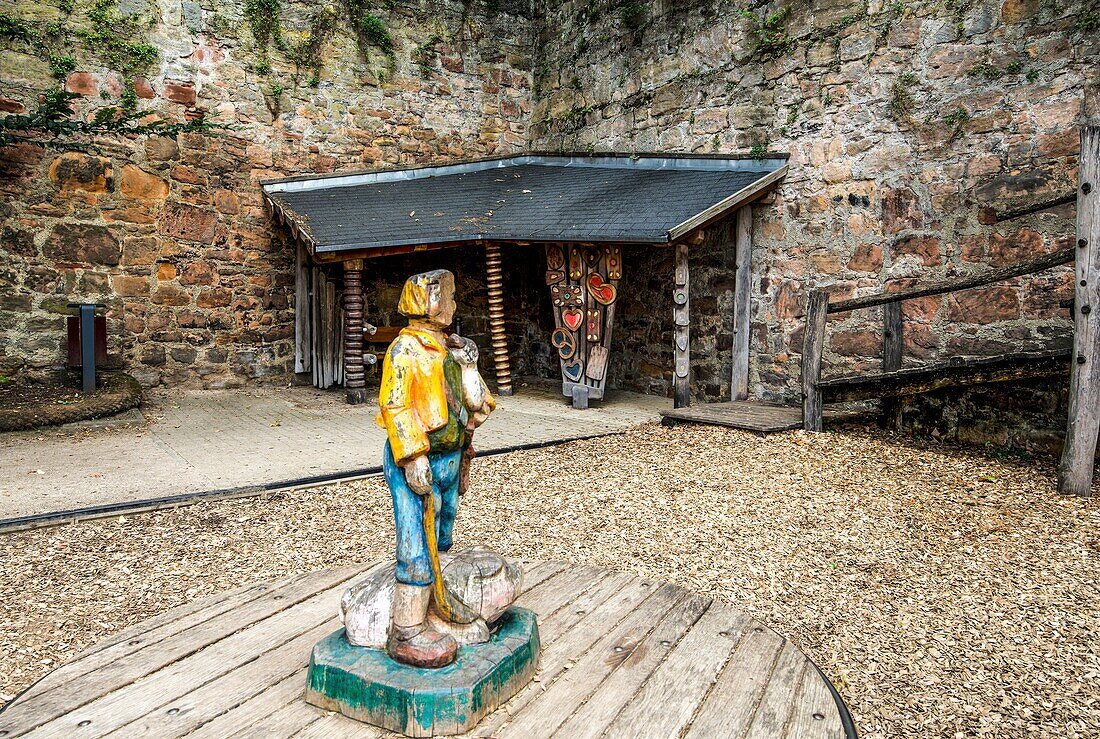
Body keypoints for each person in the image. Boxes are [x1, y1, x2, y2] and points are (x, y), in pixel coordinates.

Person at [376, 269, 495, 667]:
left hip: (449, 458)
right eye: (448, 296)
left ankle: (435, 604)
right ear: (427, 301)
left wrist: (469, 374)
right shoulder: (405, 350)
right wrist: (412, 456)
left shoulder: (450, 350)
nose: (454, 304)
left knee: (440, 531)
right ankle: (407, 629)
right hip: (420, 460)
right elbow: (395, 404)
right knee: (414, 537)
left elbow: (478, 402)